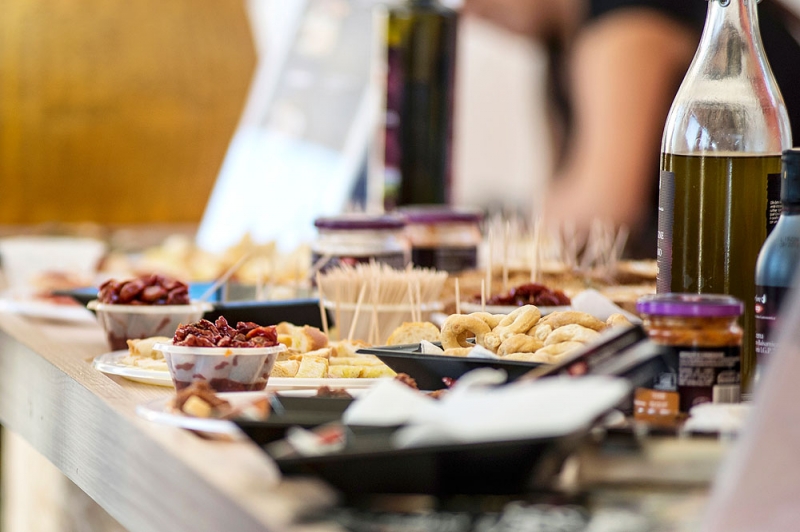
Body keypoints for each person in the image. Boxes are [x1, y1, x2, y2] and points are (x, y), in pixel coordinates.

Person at [463, 0, 800, 257]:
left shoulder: (625, 24)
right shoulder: (562, 45)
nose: (466, 9)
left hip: (761, 289)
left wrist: (482, 243)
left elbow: (599, 214)